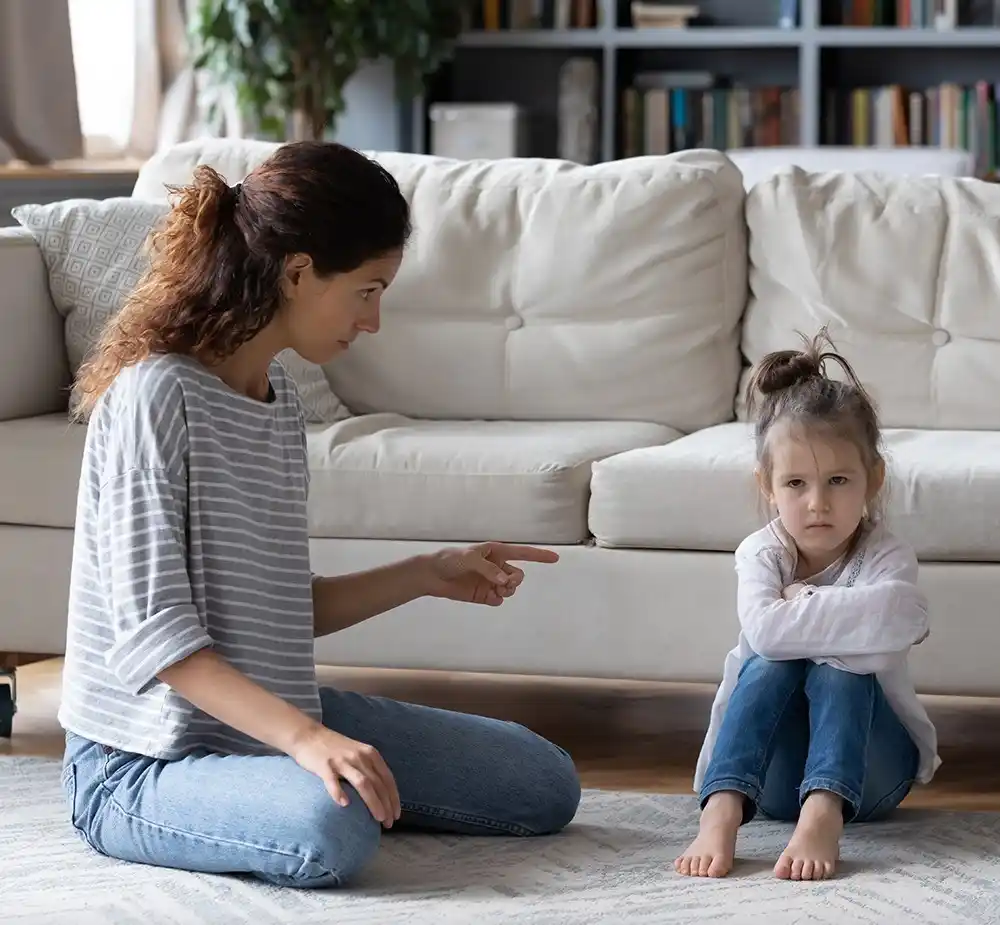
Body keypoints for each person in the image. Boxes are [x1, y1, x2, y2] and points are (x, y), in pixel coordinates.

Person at [57, 140, 581, 888]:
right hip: (139, 763)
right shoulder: (155, 397)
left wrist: (427, 572)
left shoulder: (277, 407)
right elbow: (157, 642)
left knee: (541, 781)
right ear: (298, 271)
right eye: (367, 290)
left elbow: (278, 609)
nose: (373, 321)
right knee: (331, 824)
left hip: (257, 723)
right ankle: (283, 783)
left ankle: (283, 776)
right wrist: (308, 739)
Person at [675, 330, 939, 882]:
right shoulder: (761, 553)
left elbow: (908, 616)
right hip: (769, 784)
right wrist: (851, 615)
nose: (818, 503)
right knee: (769, 661)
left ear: (873, 480)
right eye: (796, 482)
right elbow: (768, 636)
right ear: (768, 487)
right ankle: (722, 807)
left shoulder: (886, 555)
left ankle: (823, 811)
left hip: (869, 777)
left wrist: (803, 601)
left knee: (844, 668)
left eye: (838, 480)